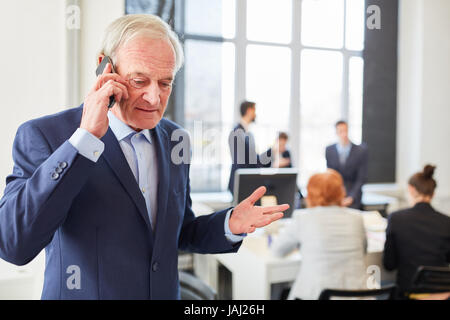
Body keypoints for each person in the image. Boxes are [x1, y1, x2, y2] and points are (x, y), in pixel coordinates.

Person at [0, 14, 289, 300]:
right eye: (139, 81)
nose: (154, 98)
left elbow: (180, 231)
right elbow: (14, 244)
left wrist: (229, 224)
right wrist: (84, 140)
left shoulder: (177, 140)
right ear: (104, 66)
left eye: (165, 83)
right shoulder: (45, 135)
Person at [271, 169, 368, 300]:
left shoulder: (303, 218)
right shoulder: (357, 217)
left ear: (310, 195)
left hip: (316, 295)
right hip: (357, 295)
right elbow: (364, 250)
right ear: (341, 192)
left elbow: (277, 251)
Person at [383, 165, 450, 299]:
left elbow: (389, 264)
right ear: (433, 194)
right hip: (443, 294)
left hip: (409, 293)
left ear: (411, 190)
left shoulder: (396, 219)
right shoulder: (447, 222)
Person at [326, 120, 368, 209]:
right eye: (341, 131)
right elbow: (330, 175)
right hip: (335, 197)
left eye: (345, 130)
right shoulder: (329, 150)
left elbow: (361, 178)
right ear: (336, 132)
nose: (344, 134)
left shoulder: (360, 150)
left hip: (354, 197)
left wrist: (351, 197)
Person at [228, 100, 265, 194]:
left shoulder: (246, 132)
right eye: (254, 110)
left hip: (245, 182)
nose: (255, 114)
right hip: (241, 183)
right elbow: (246, 160)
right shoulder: (238, 132)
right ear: (249, 111)